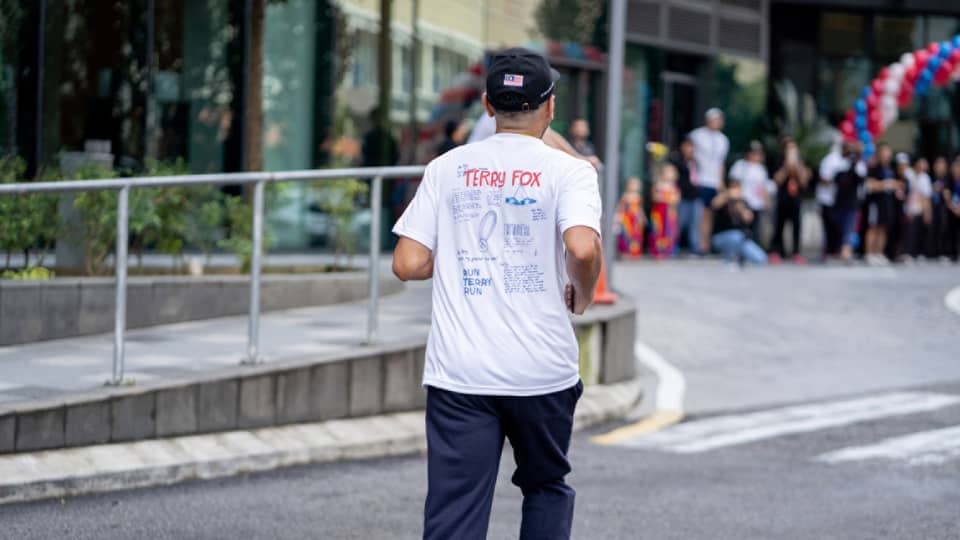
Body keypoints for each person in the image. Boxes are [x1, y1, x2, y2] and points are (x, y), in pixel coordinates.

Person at [391, 48, 602, 540]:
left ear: (487, 106)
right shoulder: (569, 172)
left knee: (454, 509)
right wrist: (584, 291)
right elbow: (582, 248)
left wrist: (465, 255)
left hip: (460, 371)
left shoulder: (447, 167)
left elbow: (407, 263)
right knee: (546, 485)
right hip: (541, 370)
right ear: (551, 110)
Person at [689, 108, 730, 253]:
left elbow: (721, 163)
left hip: (714, 181)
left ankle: (705, 243)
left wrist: (721, 182)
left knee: (709, 213)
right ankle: (697, 243)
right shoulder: (697, 135)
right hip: (700, 179)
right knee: (699, 213)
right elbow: (690, 155)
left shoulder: (723, 140)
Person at [710, 178, 768, 269]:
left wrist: (741, 209)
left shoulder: (743, 202)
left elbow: (749, 218)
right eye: (733, 188)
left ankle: (740, 258)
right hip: (719, 239)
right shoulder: (724, 201)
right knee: (736, 236)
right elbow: (714, 203)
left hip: (741, 240)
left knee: (761, 258)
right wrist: (728, 194)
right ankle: (729, 260)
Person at [770, 137, 811, 264]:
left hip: (796, 199)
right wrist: (786, 167)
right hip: (783, 198)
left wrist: (797, 167)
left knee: (797, 226)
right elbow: (776, 180)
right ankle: (776, 251)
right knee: (779, 225)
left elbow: (804, 181)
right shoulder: (779, 162)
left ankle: (796, 252)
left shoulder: (800, 162)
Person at [728, 140, 774, 250]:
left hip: (757, 204)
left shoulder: (761, 169)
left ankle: (755, 251)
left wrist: (766, 202)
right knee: (743, 230)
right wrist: (739, 205)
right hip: (744, 203)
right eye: (753, 153)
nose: (756, 156)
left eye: (758, 153)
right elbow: (734, 185)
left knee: (756, 230)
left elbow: (763, 187)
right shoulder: (740, 165)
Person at [833, 140, 868, 263]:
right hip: (840, 201)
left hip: (852, 202)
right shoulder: (840, 162)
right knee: (840, 227)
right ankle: (840, 251)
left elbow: (860, 181)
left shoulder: (860, 165)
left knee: (848, 227)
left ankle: (845, 253)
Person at [668, 136, 702, 255]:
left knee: (695, 224)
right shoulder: (676, 160)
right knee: (678, 223)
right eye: (688, 146)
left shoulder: (695, 162)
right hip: (682, 197)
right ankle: (673, 247)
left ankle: (695, 248)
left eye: (692, 146)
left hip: (695, 197)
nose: (690, 149)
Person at [864, 144, 896, 265]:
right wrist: (887, 184)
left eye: (889, 153)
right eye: (885, 152)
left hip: (886, 202)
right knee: (873, 227)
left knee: (883, 228)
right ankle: (869, 253)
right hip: (875, 203)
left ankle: (879, 253)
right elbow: (869, 185)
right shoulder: (874, 168)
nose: (887, 155)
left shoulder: (889, 169)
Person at [818, 137, 844, 259]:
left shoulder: (843, 160)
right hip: (827, 199)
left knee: (837, 227)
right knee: (829, 227)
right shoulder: (829, 160)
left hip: (838, 199)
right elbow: (824, 178)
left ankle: (835, 251)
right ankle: (828, 251)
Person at [648, 163, 680, 259]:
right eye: (667, 172)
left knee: (669, 231)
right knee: (657, 231)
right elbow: (654, 197)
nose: (669, 174)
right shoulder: (658, 185)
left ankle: (668, 250)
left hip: (670, 214)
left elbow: (676, 200)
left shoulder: (675, 187)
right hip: (659, 213)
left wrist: (665, 198)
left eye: (671, 172)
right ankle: (656, 250)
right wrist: (667, 198)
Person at [904, 156, 932, 261]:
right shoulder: (909, 173)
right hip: (908, 207)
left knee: (918, 231)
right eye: (920, 163)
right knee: (908, 231)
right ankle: (906, 253)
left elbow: (926, 197)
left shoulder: (925, 178)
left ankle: (916, 253)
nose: (922, 166)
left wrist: (927, 212)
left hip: (919, 207)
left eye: (924, 164)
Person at [615, 177, 646, 259]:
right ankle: (625, 252)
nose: (635, 187)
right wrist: (619, 215)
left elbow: (639, 208)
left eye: (636, 185)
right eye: (633, 184)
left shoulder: (638, 196)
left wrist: (642, 216)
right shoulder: (625, 196)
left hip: (635, 219)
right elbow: (621, 206)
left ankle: (634, 252)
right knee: (626, 235)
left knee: (636, 235)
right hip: (627, 218)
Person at [928, 157, 949, 260]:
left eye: (942, 165)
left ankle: (942, 252)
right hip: (932, 207)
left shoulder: (947, 180)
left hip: (943, 208)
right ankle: (931, 252)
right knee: (931, 229)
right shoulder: (930, 179)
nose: (939, 167)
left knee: (943, 228)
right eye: (937, 165)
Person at [943, 157, 960, 262]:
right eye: (956, 166)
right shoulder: (948, 181)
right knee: (952, 232)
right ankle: (952, 254)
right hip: (952, 210)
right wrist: (955, 209)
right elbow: (947, 196)